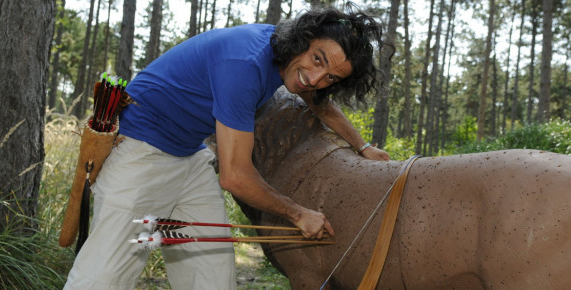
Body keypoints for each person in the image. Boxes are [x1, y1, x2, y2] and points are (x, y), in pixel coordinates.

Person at [64, 5, 390, 289]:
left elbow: (318, 101)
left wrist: (362, 146)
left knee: (211, 275)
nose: (317, 78)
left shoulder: (289, 58)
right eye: (318, 60)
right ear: (303, 40)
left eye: (331, 77)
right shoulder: (244, 63)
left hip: (188, 156)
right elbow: (235, 176)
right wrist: (298, 213)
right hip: (139, 152)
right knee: (104, 276)